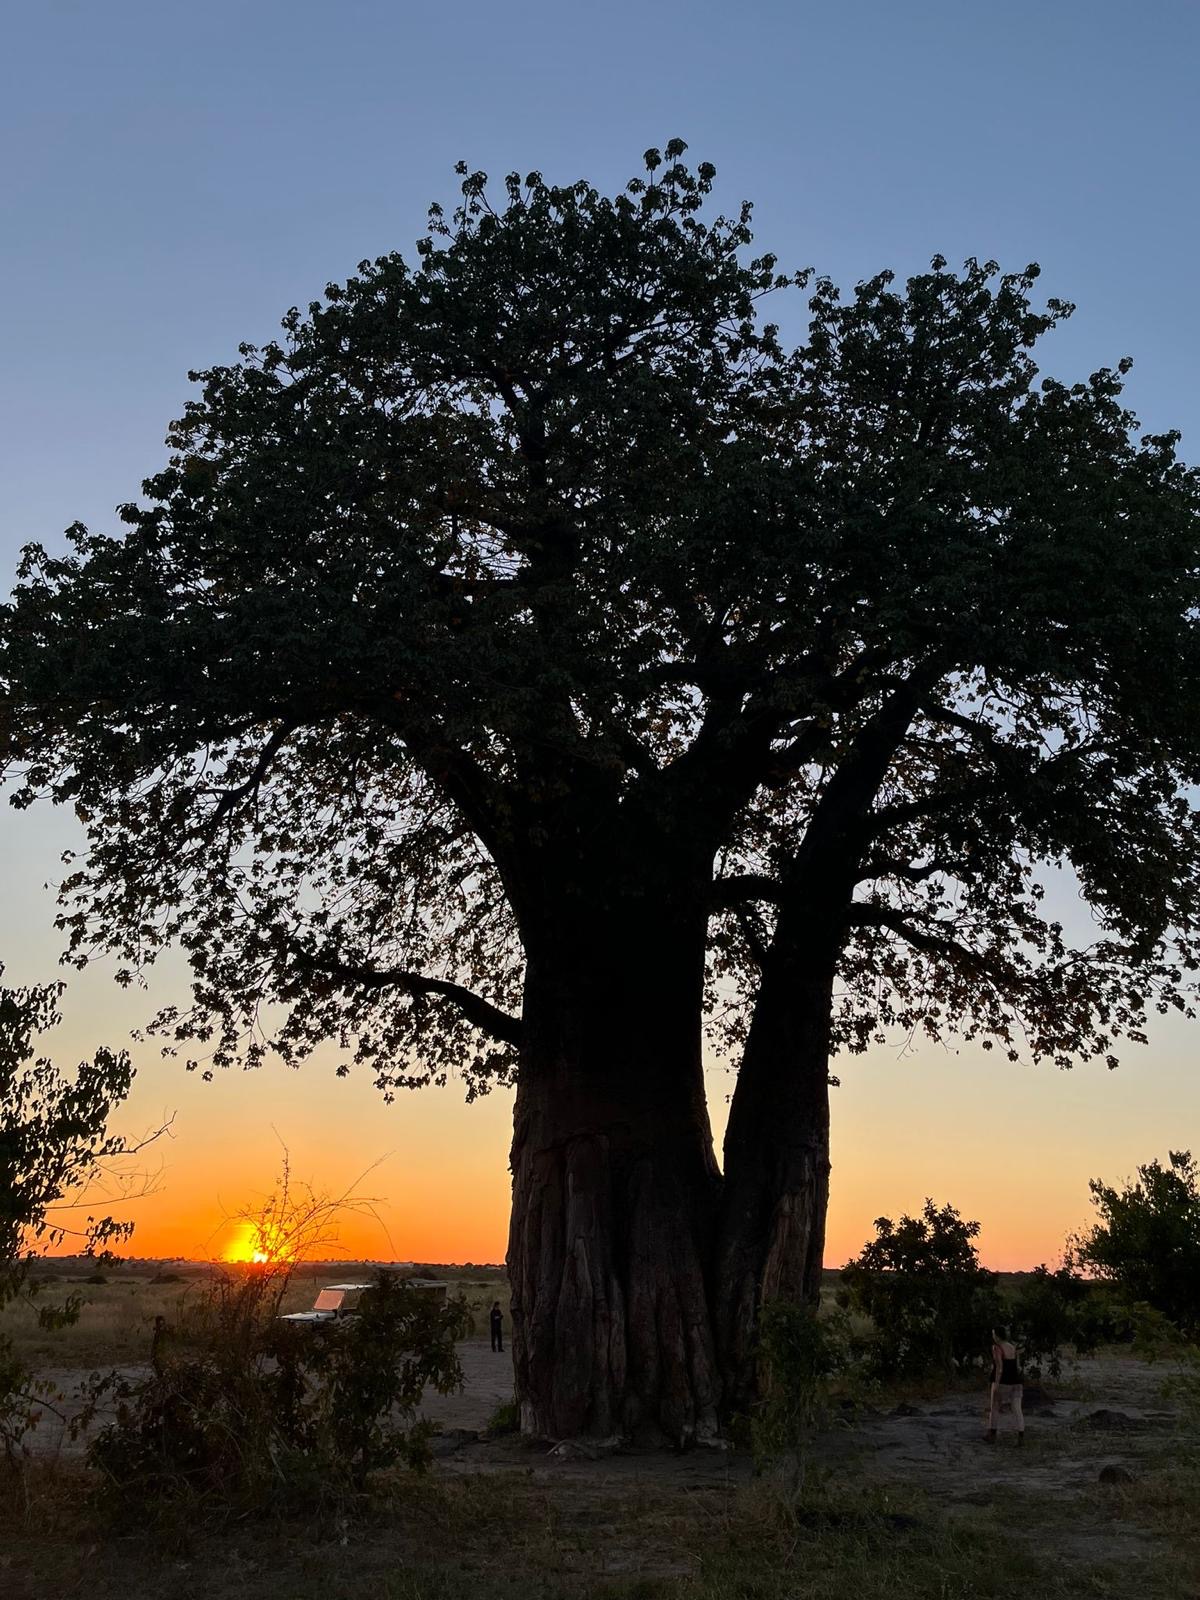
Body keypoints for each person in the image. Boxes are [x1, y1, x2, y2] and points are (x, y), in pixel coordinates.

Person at [986, 1324, 1024, 1445]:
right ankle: (1021, 1436)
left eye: (993, 1334)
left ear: (997, 1335)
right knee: (1017, 1409)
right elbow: (1016, 1366)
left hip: (1003, 1381)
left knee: (995, 1408)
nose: (992, 1336)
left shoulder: (996, 1347)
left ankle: (992, 1435)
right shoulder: (1012, 1347)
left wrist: (996, 1384)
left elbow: (999, 1368)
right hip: (1016, 1381)